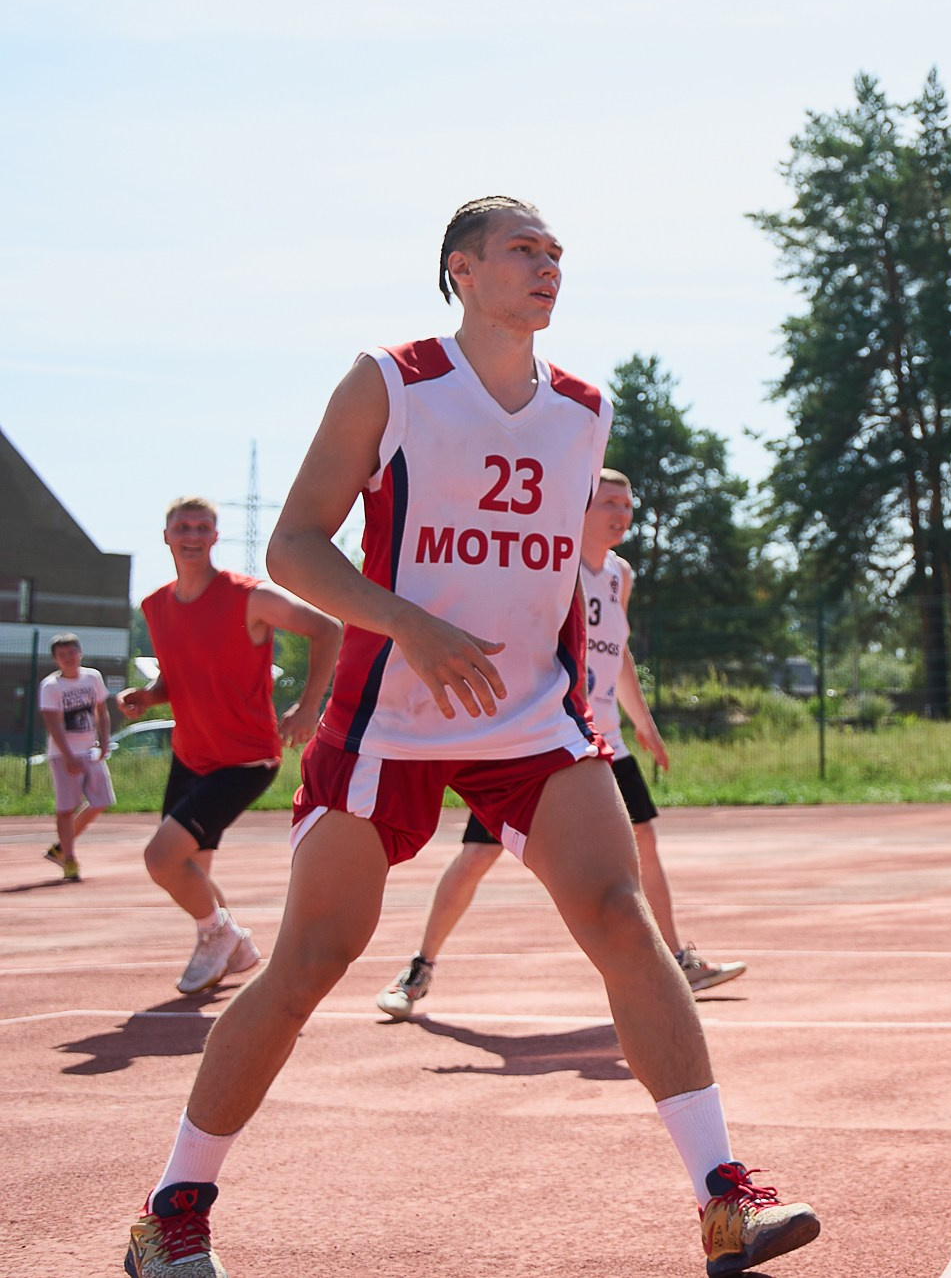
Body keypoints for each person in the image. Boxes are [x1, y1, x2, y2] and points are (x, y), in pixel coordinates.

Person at [121, 197, 819, 1278]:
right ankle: (173, 1212)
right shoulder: (391, 382)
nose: (547, 267)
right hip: (386, 716)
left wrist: (584, 688)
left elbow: (547, 572)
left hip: (533, 717)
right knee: (311, 959)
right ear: (463, 270)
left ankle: (725, 1199)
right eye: (523, 251)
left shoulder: (584, 410)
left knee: (621, 915)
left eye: (556, 253)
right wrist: (406, 621)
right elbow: (298, 548)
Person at [377, 467, 746, 1018]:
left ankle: (678, 959)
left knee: (644, 840)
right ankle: (419, 968)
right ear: (579, 507)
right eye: (608, 502)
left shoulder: (619, 573)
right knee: (479, 854)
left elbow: (616, 651)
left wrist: (642, 722)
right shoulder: (551, 563)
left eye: (627, 502)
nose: (621, 513)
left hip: (603, 739)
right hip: (543, 735)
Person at [118, 497, 344, 996]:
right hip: (190, 754)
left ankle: (221, 934)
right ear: (166, 536)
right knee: (188, 869)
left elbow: (328, 628)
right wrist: (149, 696)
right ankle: (233, 947)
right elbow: (178, 678)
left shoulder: (249, 598)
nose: (192, 534)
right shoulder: (156, 606)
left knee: (162, 860)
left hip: (245, 758)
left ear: (215, 537)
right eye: (183, 526)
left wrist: (310, 708)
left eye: (202, 526)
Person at [39, 633, 115, 882]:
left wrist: (104, 742)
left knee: (101, 801)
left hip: (90, 751)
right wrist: (69, 755)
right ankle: (69, 859)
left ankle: (60, 847)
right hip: (63, 755)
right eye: (62, 655)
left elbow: (102, 712)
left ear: (79, 654)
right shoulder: (51, 686)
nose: (68, 658)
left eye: (72, 653)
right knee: (66, 808)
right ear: (56, 660)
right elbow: (52, 723)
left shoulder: (93, 677)